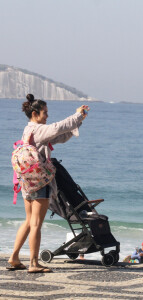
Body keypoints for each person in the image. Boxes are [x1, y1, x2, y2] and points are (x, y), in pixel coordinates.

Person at [7, 94, 88, 273]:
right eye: (45, 113)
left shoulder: (28, 130)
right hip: (39, 182)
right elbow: (58, 127)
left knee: (29, 221)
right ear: (35, 113)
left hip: (27, 182)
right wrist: (78, 115)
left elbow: (61, 136)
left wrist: (79, 121)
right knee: (36, 223)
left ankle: (14, 257)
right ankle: (34, 263)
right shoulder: (39, 129)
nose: (47, 116)